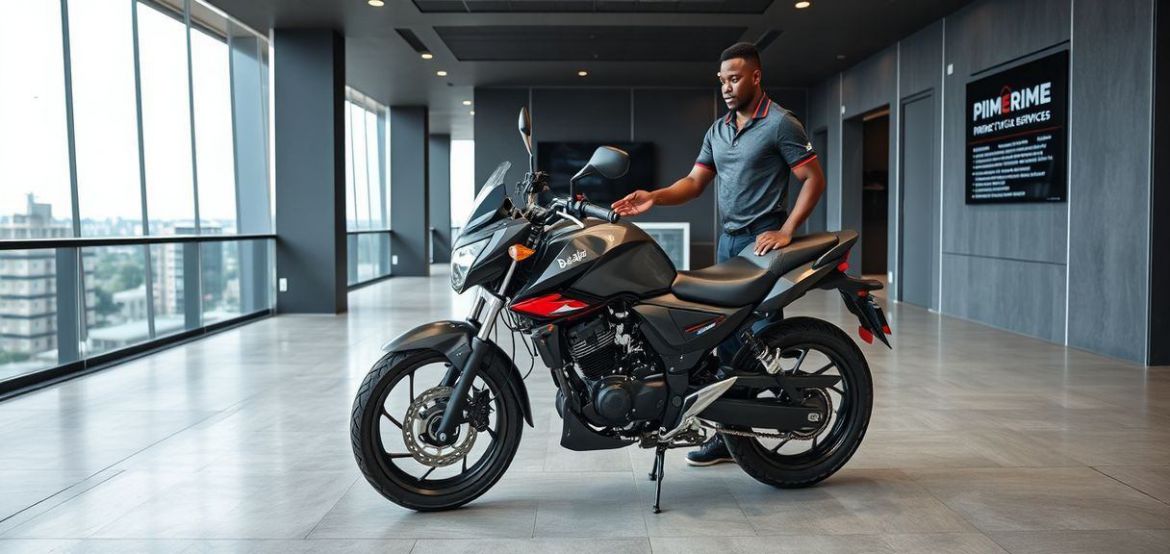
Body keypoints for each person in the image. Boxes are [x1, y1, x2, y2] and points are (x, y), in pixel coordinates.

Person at [611, 42, 826, 466]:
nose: (727, 87)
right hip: (729, 244)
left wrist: (786, 230)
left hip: (762, 244)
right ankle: (730, 436)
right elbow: (694, 183)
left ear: (755, 77)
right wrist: (653, 196)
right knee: (720, 341)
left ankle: (745, 436)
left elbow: (812, 179)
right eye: (722, 80)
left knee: (754, 344)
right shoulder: (719, 130)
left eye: (734, 78)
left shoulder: (781, 124)